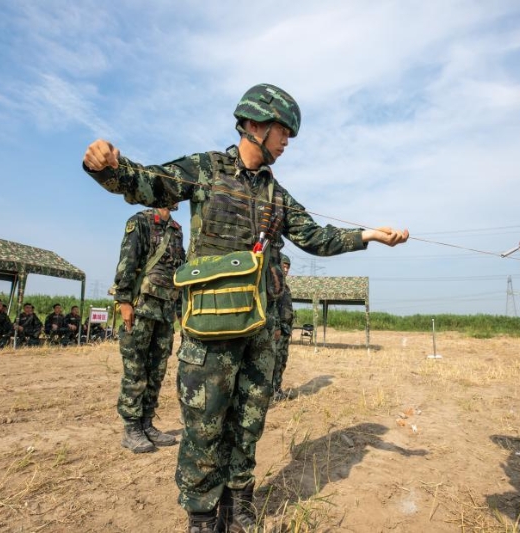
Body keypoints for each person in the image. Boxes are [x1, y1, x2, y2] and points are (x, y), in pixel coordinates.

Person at [83, 83, 408, 532]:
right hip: (212, 326)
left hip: (261, 327)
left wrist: (368, 235)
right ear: (255, 125)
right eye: (283, 130)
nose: (287, 140)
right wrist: (107, 167)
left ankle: (239, 503)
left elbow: (316, 237)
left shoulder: (277, 194)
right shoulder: (206, 170)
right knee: (204, 424)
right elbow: (148, 182)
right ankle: (201, 515)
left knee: (249, 420)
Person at [113, 205, 186, 454]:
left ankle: (147, 423)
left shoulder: (177, 230)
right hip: (141, 308)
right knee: (136, 369)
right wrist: (124, 301)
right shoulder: (140, 222)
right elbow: (127, 261)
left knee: (157, 370)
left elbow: (180, 273)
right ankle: (131, 428)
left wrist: (180, 311)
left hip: (165, 312)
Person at [272, 254, 293, 401]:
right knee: (275, 361)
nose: (285, 269)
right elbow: (273, 309)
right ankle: (272, 391)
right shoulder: (275, 285)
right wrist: (277, 327)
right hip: (277, 331)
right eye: (283, 266)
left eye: (287, 267)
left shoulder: (285, 287)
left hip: (285, 330)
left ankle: (277, 389)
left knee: (282, 361)